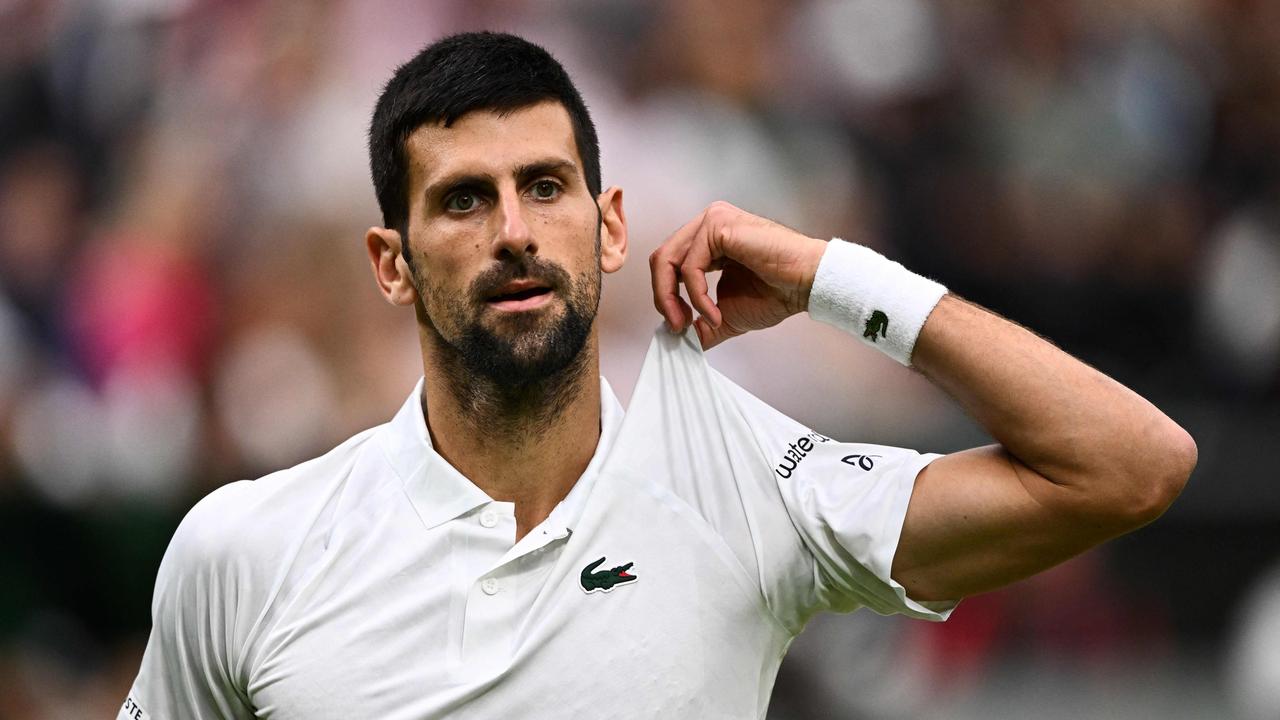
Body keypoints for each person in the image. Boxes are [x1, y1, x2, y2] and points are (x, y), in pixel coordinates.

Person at [117, 32, 1196, 719]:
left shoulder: (743, 486)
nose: (513, 233)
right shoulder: (244, 549)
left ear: (609, 227)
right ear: (390, 266)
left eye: (546, 187)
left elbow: (1126, 467)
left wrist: (835, 276)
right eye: (461, 200)